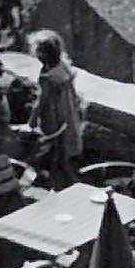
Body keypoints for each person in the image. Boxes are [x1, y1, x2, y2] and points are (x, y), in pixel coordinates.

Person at [30, 30, 84, 183]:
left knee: (55, 150)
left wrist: (32, 119)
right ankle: (67, 179)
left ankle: (64, 182)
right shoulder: (64, 67)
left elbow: (42, 99)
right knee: (64, 150)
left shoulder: (47, 77)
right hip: (68, 113)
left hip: (54, 116)